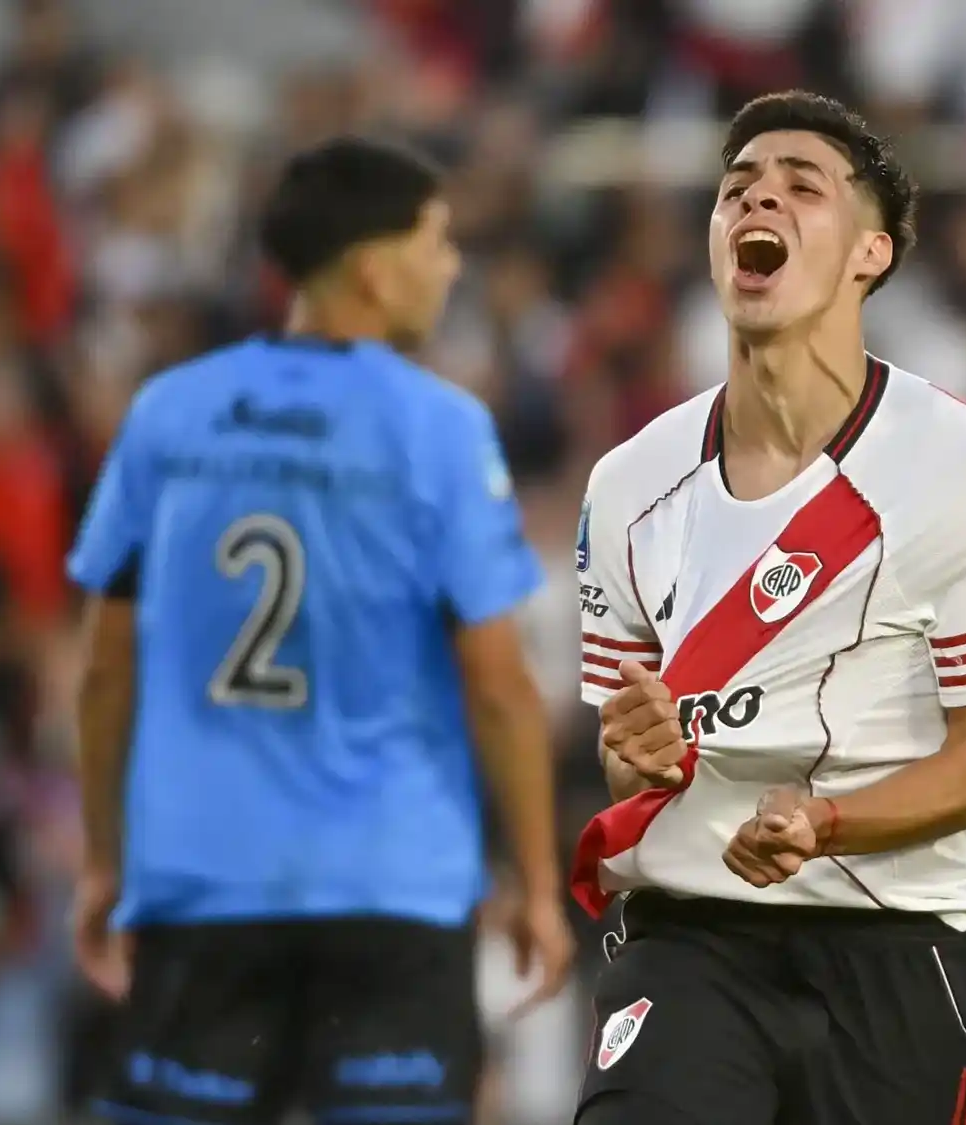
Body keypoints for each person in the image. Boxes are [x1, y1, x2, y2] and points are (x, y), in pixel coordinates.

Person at [571, 92, 966, 1125]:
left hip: (892, 946)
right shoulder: (627, 483)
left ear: (871, 253)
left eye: (803, 187)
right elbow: (627, 764)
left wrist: (825, 823)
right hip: (691, 935)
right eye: (738, 188)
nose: (760, 201)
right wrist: (636, 752)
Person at [68, 136, 574, 1125]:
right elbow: (499, 685)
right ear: (375, 270)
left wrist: (102, 858)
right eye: (436, 242)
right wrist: (537, 882)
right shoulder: (439, 428)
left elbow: (103, 668)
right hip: (393, 887)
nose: (451, 267)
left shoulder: (169, 414)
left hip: (205, 879)